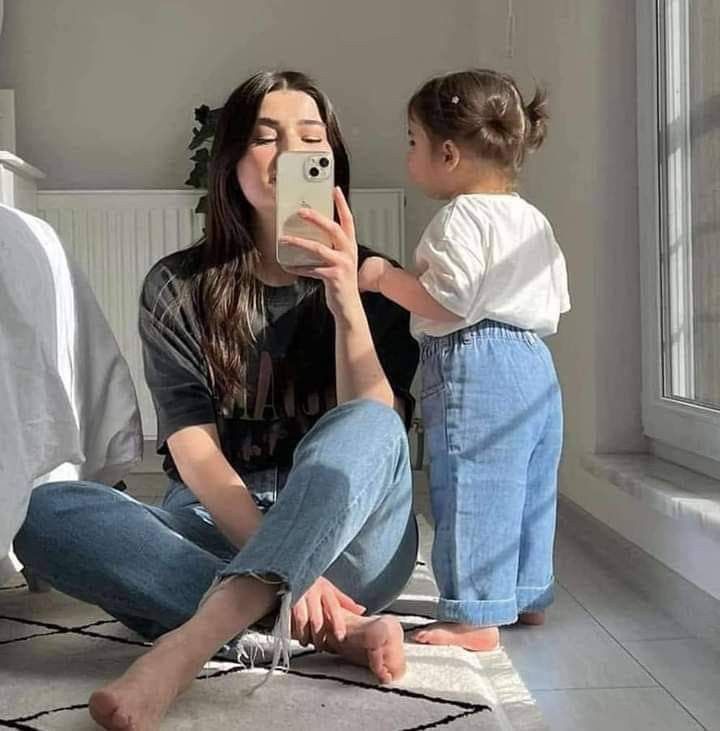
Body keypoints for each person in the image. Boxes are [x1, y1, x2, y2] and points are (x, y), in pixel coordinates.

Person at [14, 69, 419, 730]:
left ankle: (190, 643)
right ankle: (320, 629)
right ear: (230, 161)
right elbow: (193, 451)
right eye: (266, 136)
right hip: (216, 525)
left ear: (331, 161)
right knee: (41, 511)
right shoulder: (178, 285)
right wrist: (289, 566)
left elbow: (375, 442)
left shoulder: (379, 281)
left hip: (349, 542)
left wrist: (347, 300)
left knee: (371, 422)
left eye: (309, 137)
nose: (289, 152)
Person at [358, 69, 570, 652]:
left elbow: (446, 300)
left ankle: (474, 614)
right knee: (529, 485)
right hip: (535, 361)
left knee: (474, 482)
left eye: (411, 141)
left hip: (478, 360)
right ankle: (525, 593)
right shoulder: (530, 218)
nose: (409, 155)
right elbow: (555, 297)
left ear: (447, 153)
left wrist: (385, 278)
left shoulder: (459, 219)